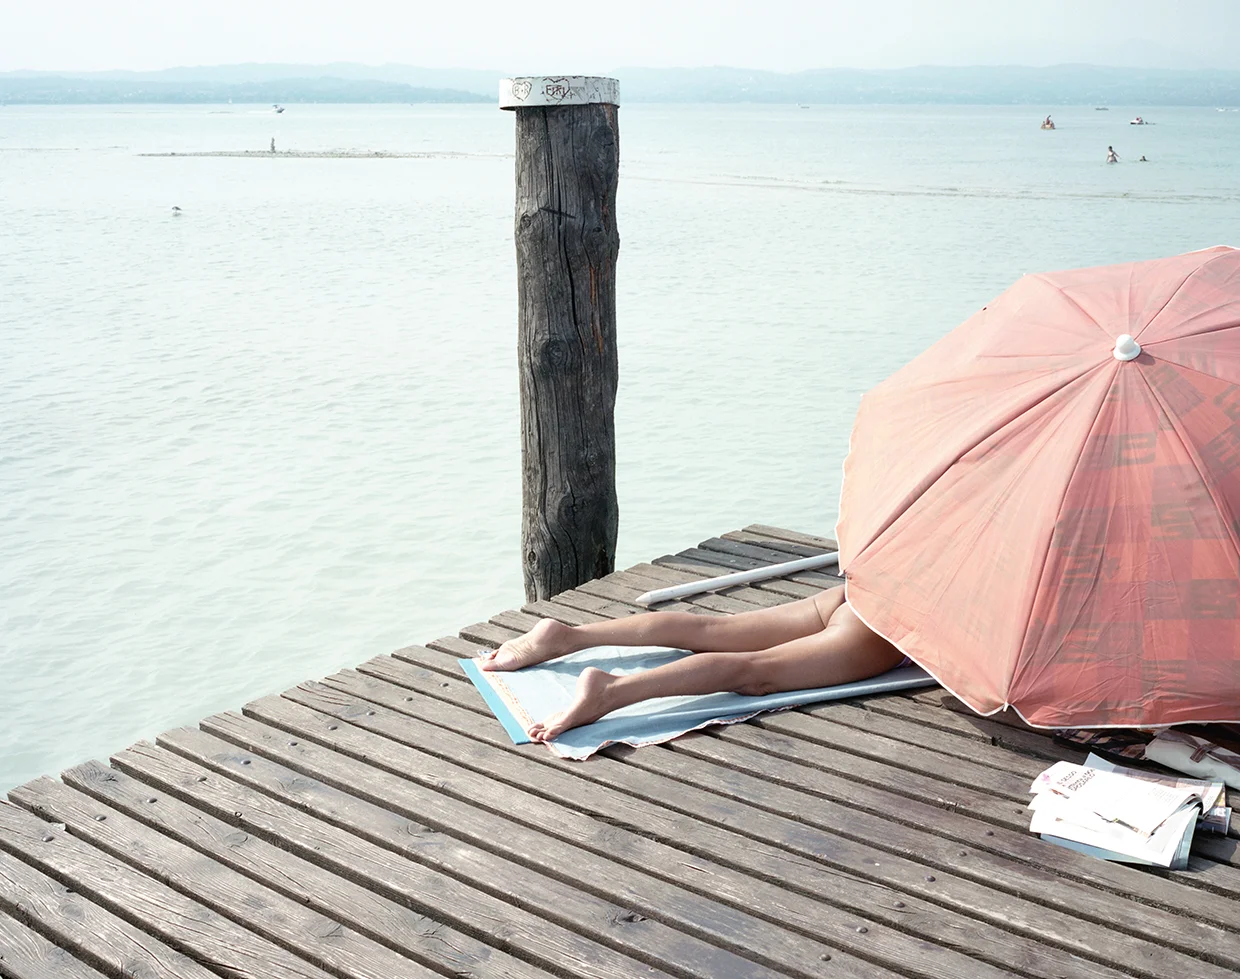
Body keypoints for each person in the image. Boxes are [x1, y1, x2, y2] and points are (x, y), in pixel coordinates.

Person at [480, 585, 905, 740]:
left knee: (712, 629)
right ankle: (612, 691)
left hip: (861, 589)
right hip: (888, 623)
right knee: (757, 671)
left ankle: (568, 637)